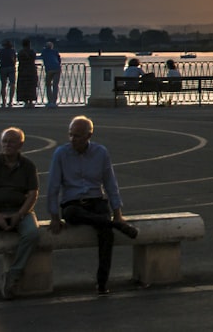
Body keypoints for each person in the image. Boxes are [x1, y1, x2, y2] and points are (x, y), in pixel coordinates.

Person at [47, 116, 138, 296]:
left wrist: (117, 212)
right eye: (71, 135)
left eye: (78, 136)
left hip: (96, 201)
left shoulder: (101, 152)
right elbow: (53, 187)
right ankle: (116, 225)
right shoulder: (61, 154)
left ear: (89, 135)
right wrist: (55, 217)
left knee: (106, 234)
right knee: (72, 213)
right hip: (72, 203)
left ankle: (102, 282)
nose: (73, 139)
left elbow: (110, 183)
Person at [0, 127, 39, 300]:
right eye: (4, 141)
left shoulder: (28, 165)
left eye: (11, 142)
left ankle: (14, 274)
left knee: (32, 234)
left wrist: (19, 215)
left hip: (20, 210)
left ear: (20, 144)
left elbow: (33, 194)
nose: (7, 145)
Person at [15, 40, 38, 108]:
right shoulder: (32, 52)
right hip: (31, 71)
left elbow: (19, 60)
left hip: (23, 71)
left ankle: (25, 102)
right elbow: (33, 59)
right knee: (31, 86)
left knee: (23, 86)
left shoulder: (20, 52)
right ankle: (31, 101)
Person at [40, 41, 62, 108]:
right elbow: (59, 59)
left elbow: (41, 57)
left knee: (48, 85)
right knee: (55, 85)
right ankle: (54, 102)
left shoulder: (44, 52)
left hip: (49, 69)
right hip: (57, 68)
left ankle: (50, 101)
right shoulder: (55, 51)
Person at [0, 41, 16, 108]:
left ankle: (3, 102)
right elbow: (15, 60)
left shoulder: (0, 51)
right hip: (11, 68)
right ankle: (10, 101)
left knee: (3, 85)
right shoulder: (13, 51)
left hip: (3, 68)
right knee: (12, 84)